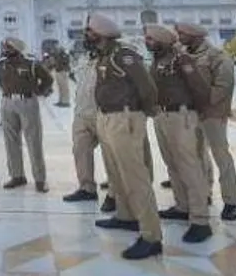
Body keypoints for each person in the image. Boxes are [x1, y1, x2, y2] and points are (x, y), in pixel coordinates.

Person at [89, 13, 163, 260]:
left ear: (100, 34)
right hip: (107, 118)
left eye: (90, 32)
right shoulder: (105, 56)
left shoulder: (124, 55)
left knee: (135, 177)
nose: (86, 36)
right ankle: (125, 215)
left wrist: (144, 113)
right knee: (116, 174)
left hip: (125, 118)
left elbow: (147, 87)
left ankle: (151, 236)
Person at [144, 24, 213, 243]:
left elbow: (200, 89)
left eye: (151, 39)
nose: (147, 42)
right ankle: (182, 206)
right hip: (163, 116)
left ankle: (200, 220)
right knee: (172, 164)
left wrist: (195, 116)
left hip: (181, 116)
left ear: (163, 41)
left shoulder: (181, 60)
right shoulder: (157, 60)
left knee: (190, 166)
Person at [174, 22, 236, 221]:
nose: (179, 37)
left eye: (182, 34)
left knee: (222, 156)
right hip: (190, 114)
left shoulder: (216, 56)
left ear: (195, 35)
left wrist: (204, 104)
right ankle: (204, 193)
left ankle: (232, 201)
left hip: (212, 114)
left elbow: (223, 85)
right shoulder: (182, 55)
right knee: (197, 156)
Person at [0, 37, 52, 193]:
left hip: (27, 102)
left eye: (9, 47)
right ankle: (17, 175)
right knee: (11, 141)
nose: (5, 50)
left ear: (17, 48)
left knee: (33, 140)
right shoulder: (1, 64)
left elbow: (48, 79)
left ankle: (40, 179)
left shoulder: (30, 64)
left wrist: (38, 91)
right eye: (4, 47)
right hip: (7, 102)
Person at [63, 48, 100, 202]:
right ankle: (86, 187)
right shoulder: (84, 59)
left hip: (103, 113)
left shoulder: (112, 60)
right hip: (82, 112)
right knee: (80, 149)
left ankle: (114, 191)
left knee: (112, 154)